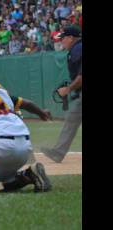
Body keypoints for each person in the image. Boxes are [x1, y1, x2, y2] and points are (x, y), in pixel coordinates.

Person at [40, 26, 82, 163]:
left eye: (63, 38)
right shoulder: (75, 50)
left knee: (72, 119)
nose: (61, 41)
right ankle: (58, 152)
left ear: (71, 38)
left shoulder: (78, 48)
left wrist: (68, 89)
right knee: (72, 119)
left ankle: (58, 152)